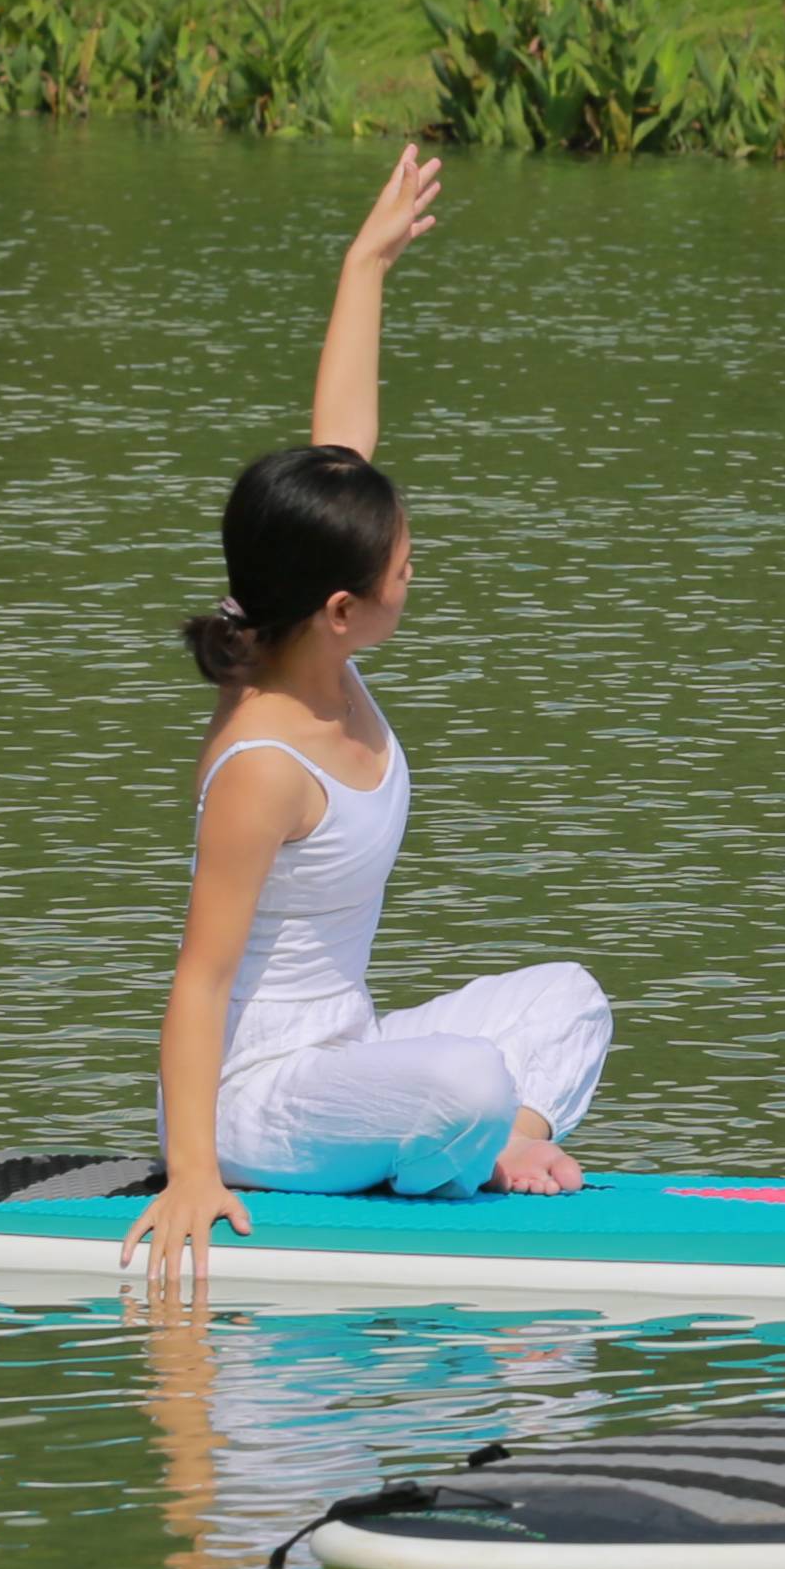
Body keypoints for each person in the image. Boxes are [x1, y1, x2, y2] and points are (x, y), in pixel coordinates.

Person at [130, 147, 617, 1300]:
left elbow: (338, 446)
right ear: (342, 608)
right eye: (403, 565)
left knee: (569, 998)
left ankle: (496, 1145)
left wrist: (366, 267)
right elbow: (199, 983)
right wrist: (191, 1174)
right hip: (262, 1105)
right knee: (463, 1086)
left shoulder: (304, 621)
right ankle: (478, 1144)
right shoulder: (262, 758)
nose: (416, 573)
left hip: (347, 1056)